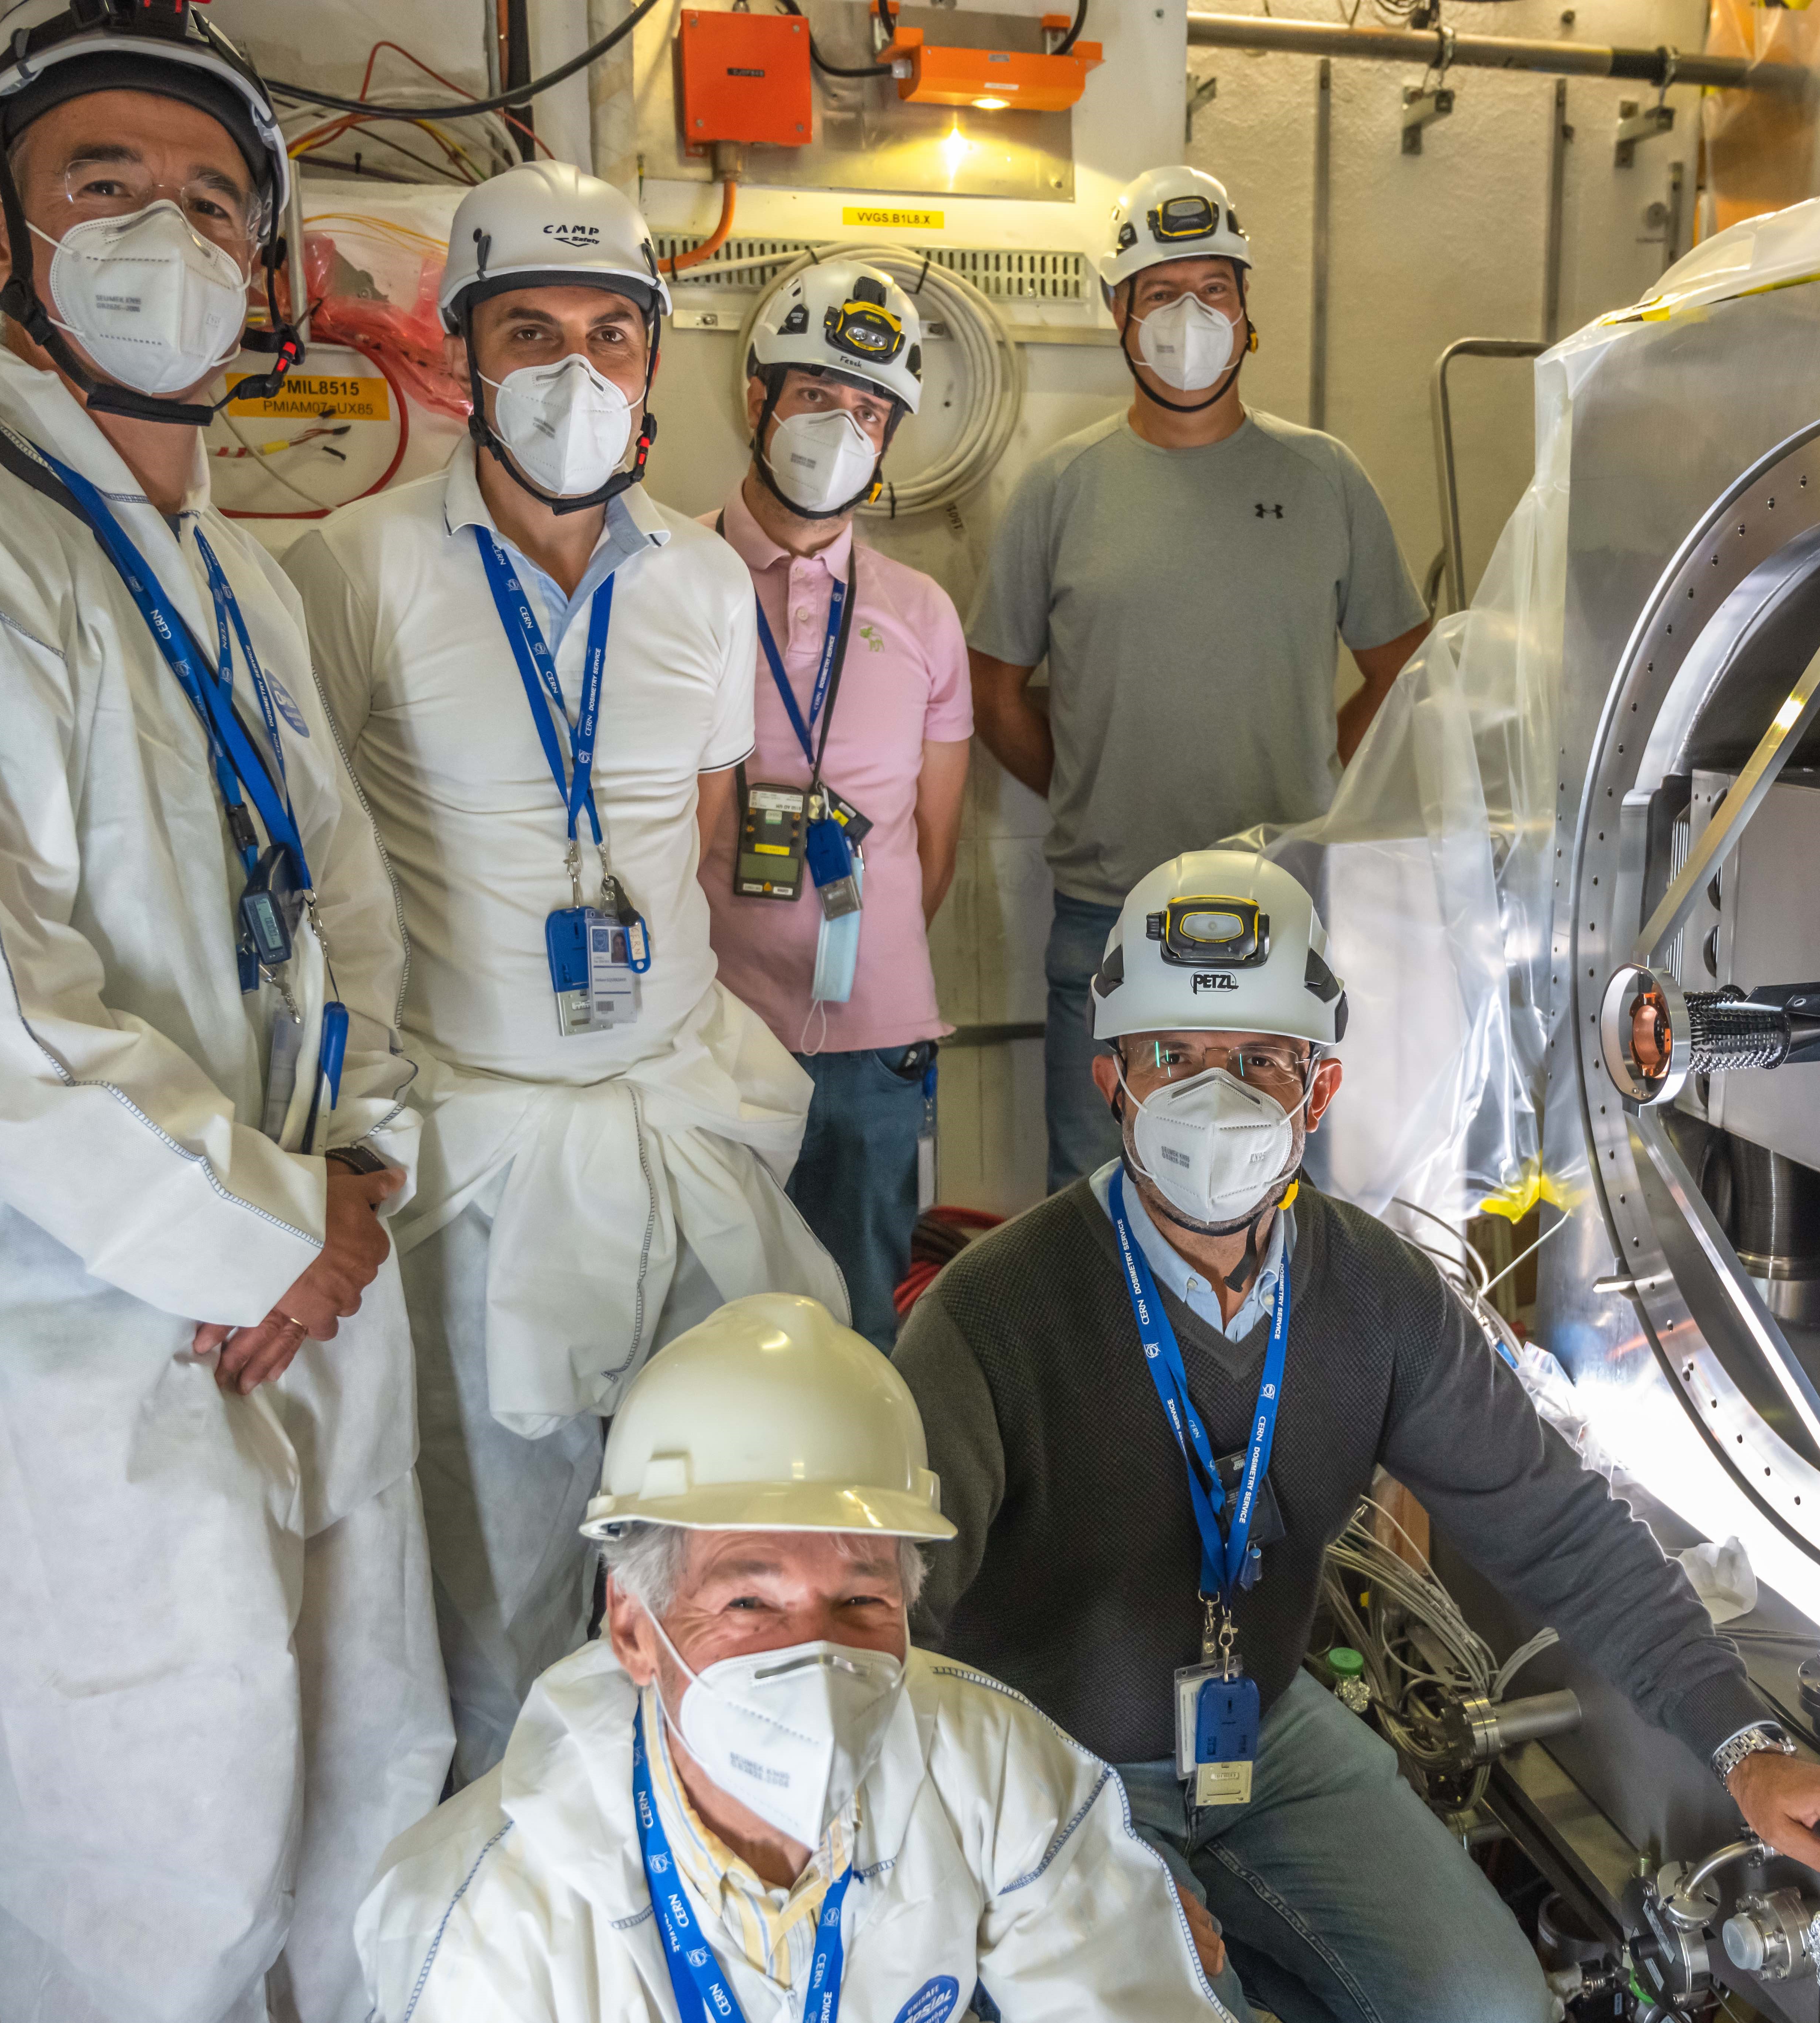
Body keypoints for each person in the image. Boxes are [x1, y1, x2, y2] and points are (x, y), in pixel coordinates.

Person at [0, 5, 451, 2023]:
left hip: (311, 1288)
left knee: (368, 1813)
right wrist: (280, 1235)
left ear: (272, 267)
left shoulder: (233, 576)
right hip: (83, 1352)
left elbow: (348, 923)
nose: (168, 235)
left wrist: (364, 1171)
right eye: (104, 187)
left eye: (216, 199)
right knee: (159, 1885)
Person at [893, 850, 1820, 2023]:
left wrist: (1744, 1747)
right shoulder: (990, 1313)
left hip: (1261, 1730)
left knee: (1489, 2019)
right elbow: (886, 1632)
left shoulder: (1375, 1292)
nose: (1215, 1098)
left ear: (1318, 1090)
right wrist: (1043, 1858)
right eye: (1174, 1056)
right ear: (1112, 1075)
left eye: (1261, 1062)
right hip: (1052, 1763)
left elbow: (1560, 1526)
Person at [283, 162, 847, 1783]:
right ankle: (522, 1906)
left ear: (655, 359)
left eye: (612, 333)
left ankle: (725, 1845)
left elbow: (702, 827)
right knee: (504, 1579)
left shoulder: (704, 587)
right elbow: (314, 869)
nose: (573, 372)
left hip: (681, 1118)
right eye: (528, 330)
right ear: (461, 349)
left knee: (736, 1526)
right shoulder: (356, 569)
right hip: (484, 1154)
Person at [356, 1292, 1241, 2023]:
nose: (816, 1661)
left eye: (861, 1603)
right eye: (750, 1604)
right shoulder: (488, 1924)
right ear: (632, 1628)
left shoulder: (992, 1764)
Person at [963, 166, 1431, 1187]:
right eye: (1162, 293)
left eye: (1215, 290)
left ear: (1248, 310)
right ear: (1119, 314)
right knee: (1097, 1208)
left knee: (1284, 1202)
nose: (1191, 317)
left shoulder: (1325, 479)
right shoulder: (1061, 490)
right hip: (1107, 915)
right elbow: (993, 687)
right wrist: (1091, 789)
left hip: (1285, 907)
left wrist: (1314, 795)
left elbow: (1401, 665)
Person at [695, 260, 974, 1348]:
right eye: (817, 397)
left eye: (870, 411)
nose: (841, 429)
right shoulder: (673, 575)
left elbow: (935, 844)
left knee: (856, 1321)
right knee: (712, 1318)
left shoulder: (921, 611)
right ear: (758, 397)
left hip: (871, 1040)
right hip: (710, 1026)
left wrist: (855, 943)